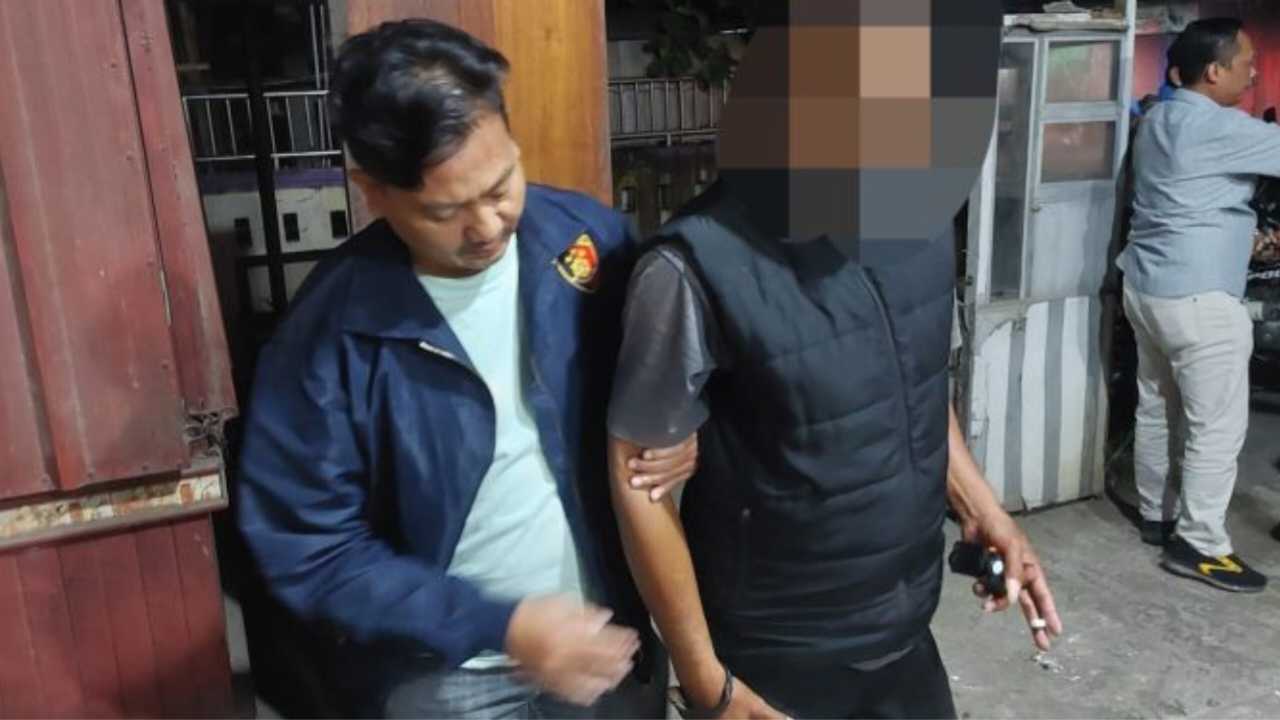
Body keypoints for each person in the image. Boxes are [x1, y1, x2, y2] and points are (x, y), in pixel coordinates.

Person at [606, 4, 1062, 718]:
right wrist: (705, 683)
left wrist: (980, 506)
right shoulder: (690, 267)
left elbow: (915, 385)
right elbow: (639, 484)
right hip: (774, 648)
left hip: (904, 622)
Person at [235, 19, 695, 718]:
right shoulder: (329, 339)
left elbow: (661, 373)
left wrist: (678, 431)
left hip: (606, 642)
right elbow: (311, 547)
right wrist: (502, 625)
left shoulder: (585, 242)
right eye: (445, 210)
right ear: (371, 189)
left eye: (501, 184)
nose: (487, 225)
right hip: (447, 680)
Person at [1117, 17, 1278, 592]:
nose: (1253, 74)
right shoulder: (1220, 127)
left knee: (1156, 406)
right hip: (1200, 298)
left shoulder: (1159, 117)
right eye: (1246, 64)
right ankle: (1201, 545)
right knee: (1216, 428)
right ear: (1215, 71)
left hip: (1146, 287)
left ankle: (1157, 517)